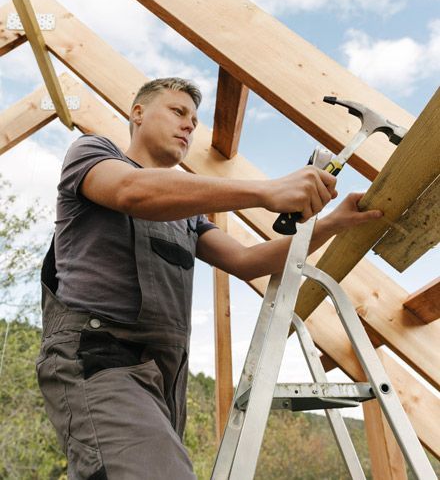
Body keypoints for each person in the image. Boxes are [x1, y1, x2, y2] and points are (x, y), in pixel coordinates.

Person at [37, 77, 382, 479]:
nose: (189, 125)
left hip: (164, 373)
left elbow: (248, 261)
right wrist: (266, 191)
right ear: (138, 113)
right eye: (178, 112)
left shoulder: (189, 213)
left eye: (194, 121)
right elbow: (133, 192)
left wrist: (332, 224)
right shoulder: (92, 153)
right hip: (98, 357)